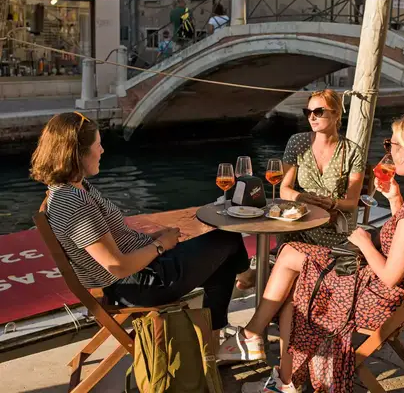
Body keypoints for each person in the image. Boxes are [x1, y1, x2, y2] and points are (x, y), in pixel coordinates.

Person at [219, 112, 404, 393]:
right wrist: (394, 198)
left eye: (390, 145)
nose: (388, 151)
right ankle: (266, 354)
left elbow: (391, 275)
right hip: (388, 293)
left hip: (379, 300)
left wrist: (365, 242)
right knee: (292, 257)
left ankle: (277, 372)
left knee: (295, 280)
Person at [30, 112, 254, 346]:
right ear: (77, 153)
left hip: (142, 269)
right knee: (225, 238)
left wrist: (152, 238)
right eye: (98, 145)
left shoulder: (73, 188)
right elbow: (117, 266)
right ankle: (242, 280)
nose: (103, 151)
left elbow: (112, 242)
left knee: (218, 244)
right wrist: (160, 245)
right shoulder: (74, 203)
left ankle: (216, 338)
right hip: (139, 284)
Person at [278, 89, 366, 247]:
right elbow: (284, 189)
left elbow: (352, 202)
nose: (311, 117)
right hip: (300, 223)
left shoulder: (352, 151)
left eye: (318, 112)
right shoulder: (297, 143)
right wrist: (300, 197)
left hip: (334, 228)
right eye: (308, 112)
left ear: (336, 113)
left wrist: (333, 203)